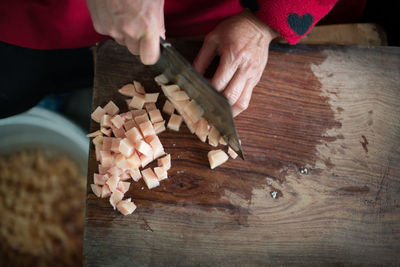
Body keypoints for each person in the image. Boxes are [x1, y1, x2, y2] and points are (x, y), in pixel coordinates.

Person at [0, 0, 365, 119]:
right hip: (43, 15)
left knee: (106, 74)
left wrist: (264, 20)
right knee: (12, 85)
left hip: (208, 15)